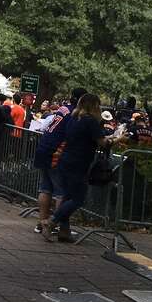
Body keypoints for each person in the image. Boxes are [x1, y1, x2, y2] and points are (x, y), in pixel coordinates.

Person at [45, 93, 114, 242]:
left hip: (65, 159)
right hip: (79, 163)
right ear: (95, 106)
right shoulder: (90, 121)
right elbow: (103, 142)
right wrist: (118, 139)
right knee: (78, 199)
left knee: (67, 196)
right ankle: (52, 221)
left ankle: (64, 231)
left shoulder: (73, 118)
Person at [30, 89, 85, 232]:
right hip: (56, 152)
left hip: (44, 147)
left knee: (46, 188)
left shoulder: (63, 109)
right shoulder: (75, 114)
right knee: (62, 192)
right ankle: (57, 225)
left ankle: (42, 223)